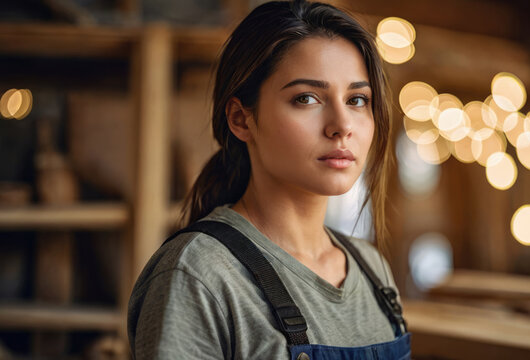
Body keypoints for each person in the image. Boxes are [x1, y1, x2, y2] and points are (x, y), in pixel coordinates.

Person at [127, 0, 410, 358]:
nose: (341, 126)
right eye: (306, 98)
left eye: (357, 99)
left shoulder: (374, 270)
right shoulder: (199, 275)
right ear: (241, 119)